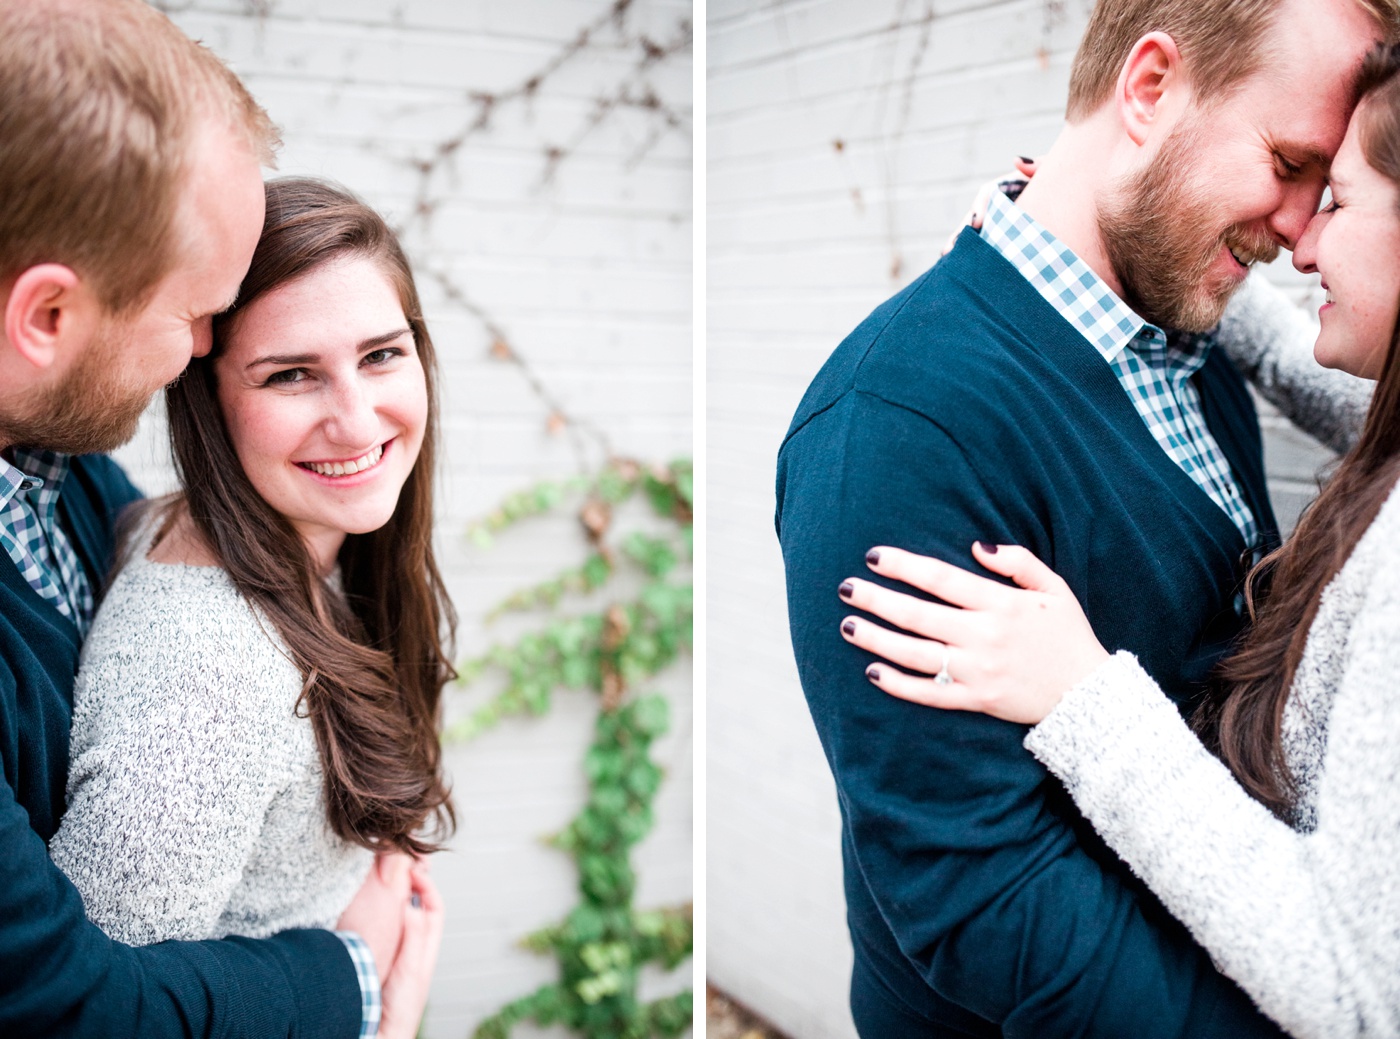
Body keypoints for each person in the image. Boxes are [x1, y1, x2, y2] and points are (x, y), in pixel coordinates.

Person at [774, 0, 1398, 1035]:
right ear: (1148, 88)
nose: (1298, 233)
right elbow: (984, 896)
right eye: (1290, 164)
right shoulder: (894, 427)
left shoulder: (1182, 331)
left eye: (1330, 187)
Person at [0, 1, 415, 1035]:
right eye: (196, 314)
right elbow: (73, 1000)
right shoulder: (202, 646)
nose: (194, 352)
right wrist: (360, 976)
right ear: (47, 316)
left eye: (385, 352)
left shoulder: (69, 481)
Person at [47, 176, 453, 1039]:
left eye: (381, 354)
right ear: (208, 400)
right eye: (291, 375)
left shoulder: (287, 536)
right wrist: (380, 1010)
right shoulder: (208, 678)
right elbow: (92, 1016)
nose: (355, 420)